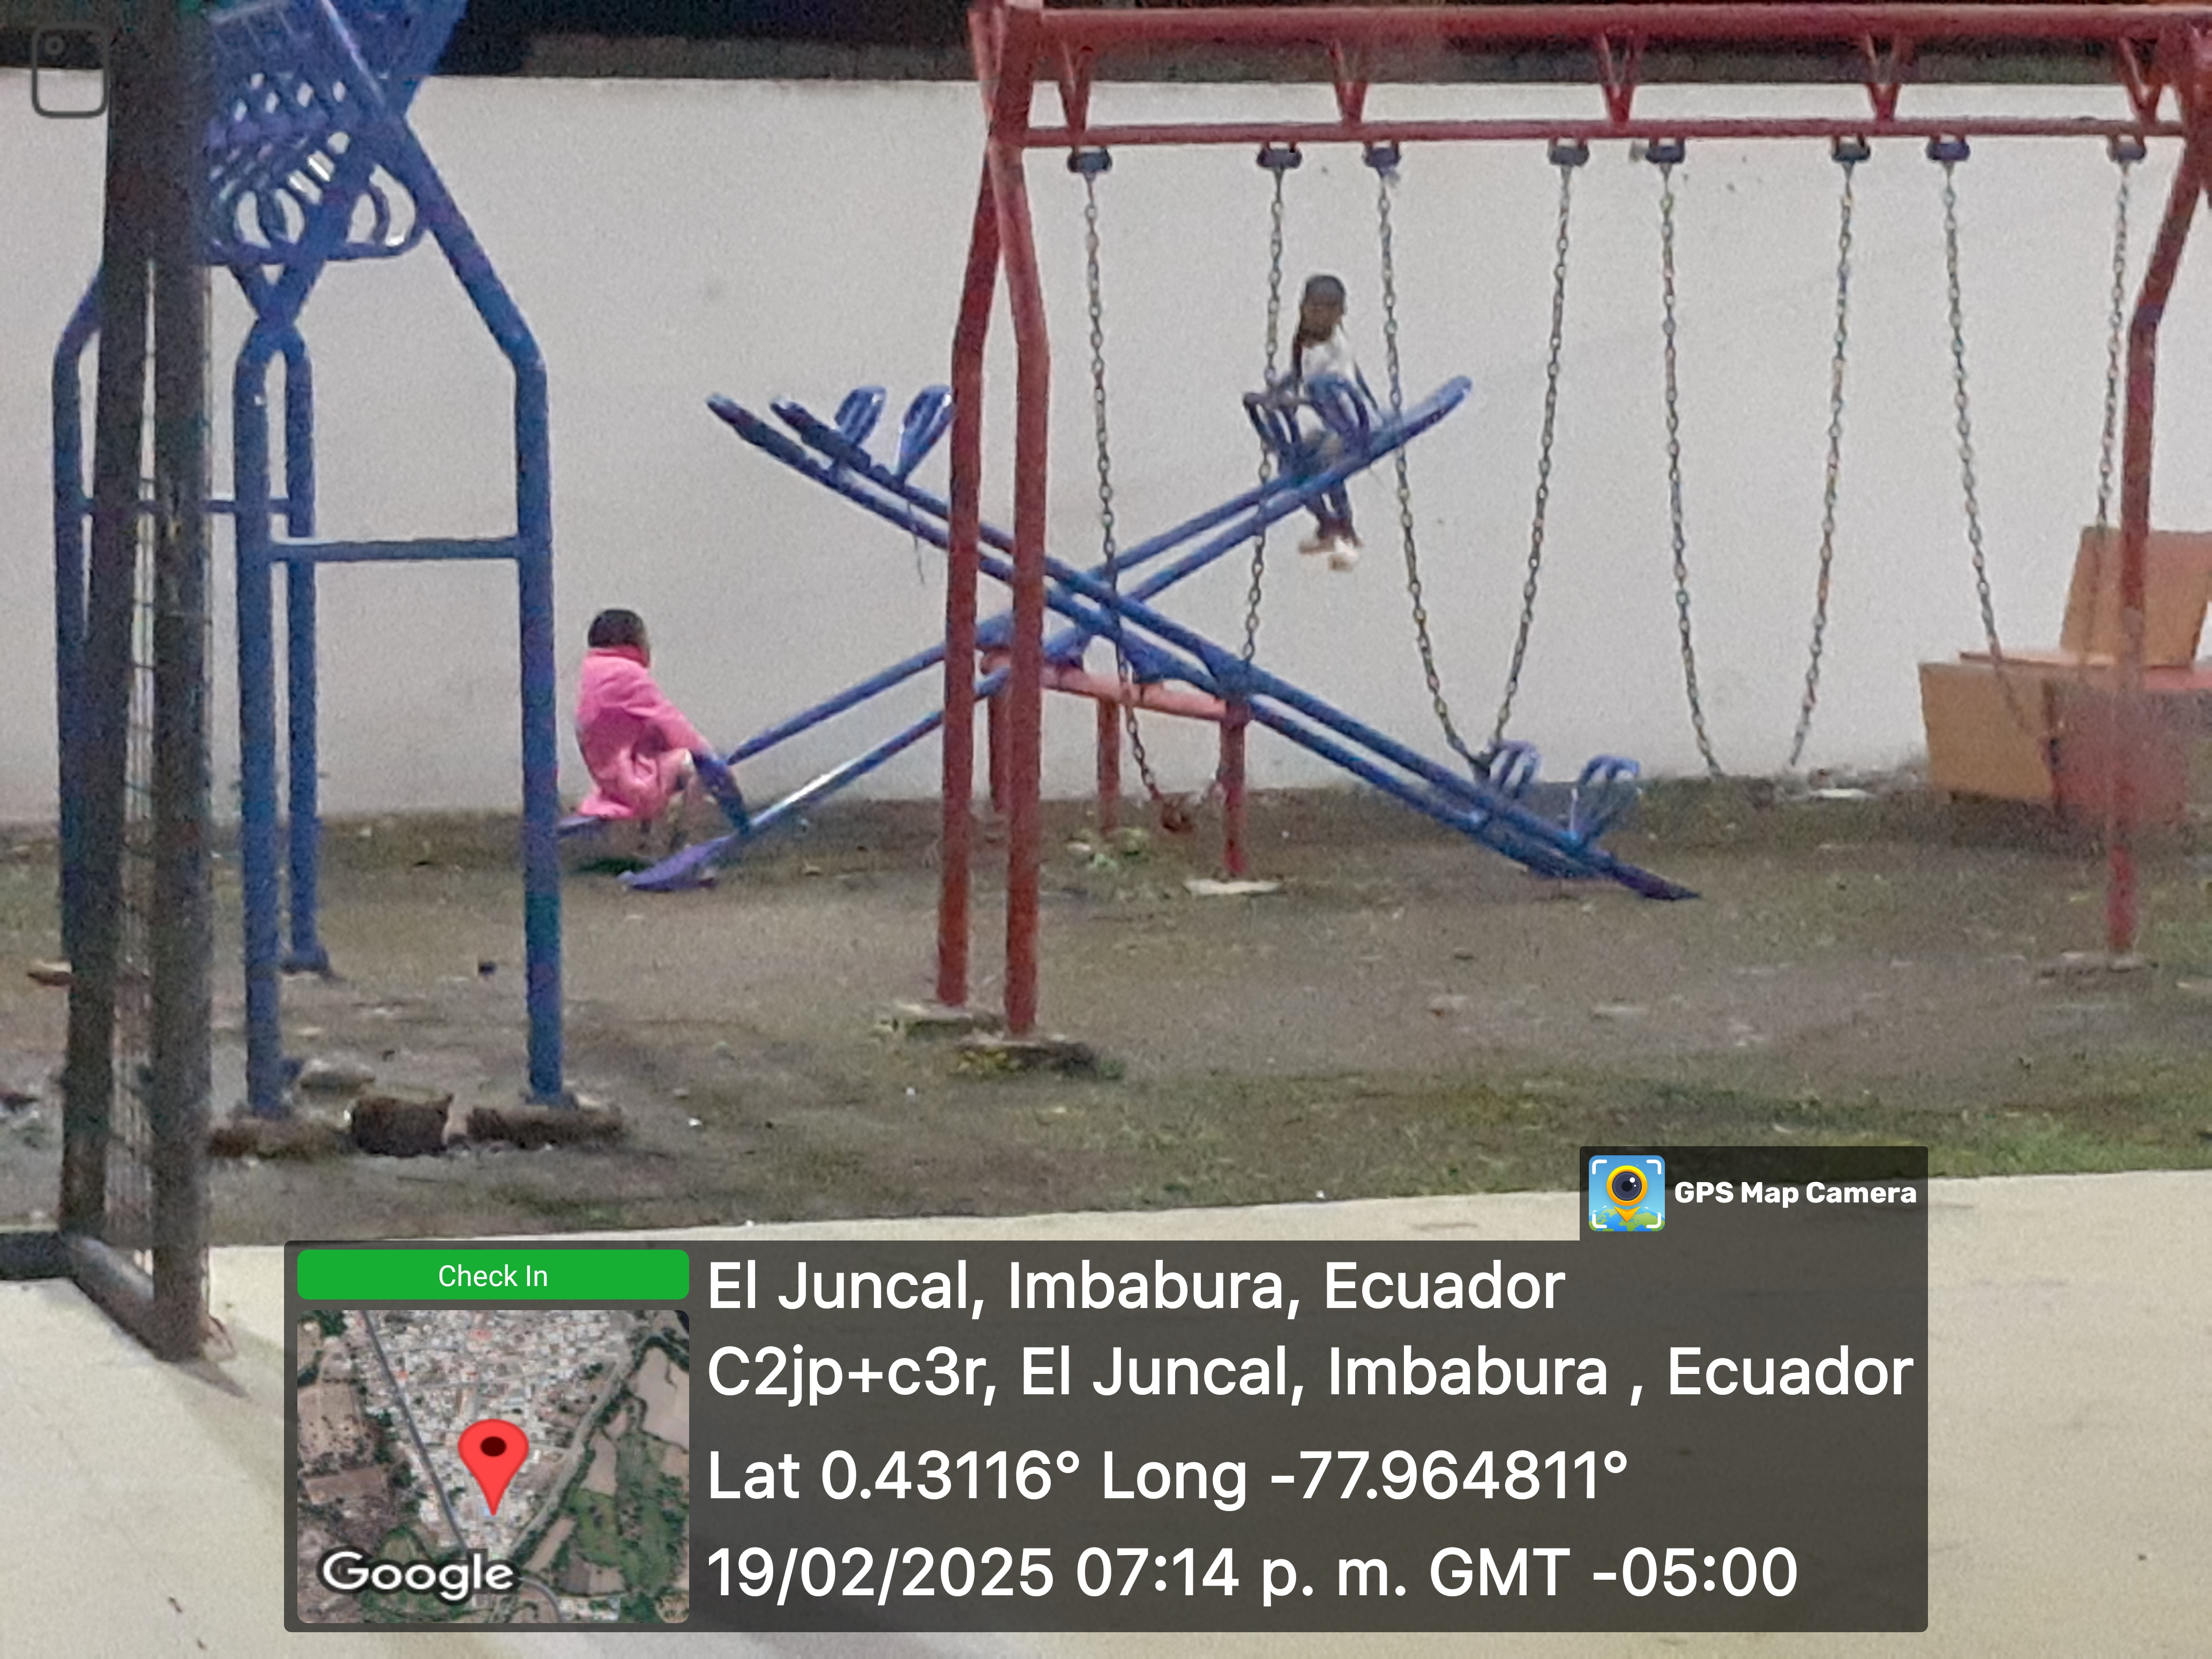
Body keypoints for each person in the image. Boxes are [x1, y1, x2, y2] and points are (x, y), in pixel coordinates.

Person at [573, 608, 742, 861]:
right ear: (634, 641)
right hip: (631, 776)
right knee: (699, 767)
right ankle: (685, 845)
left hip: (608, 772)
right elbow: (670, 721)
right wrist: (708, 755)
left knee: (666, 759)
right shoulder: (628, 675)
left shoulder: (592, 673)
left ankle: (646, 841)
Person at [1266, 273, 1376, 573]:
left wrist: (1296, 401)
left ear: (1340, 314)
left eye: (1327, 309)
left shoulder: (1336, 349)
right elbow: (1301, 376)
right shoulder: (1307, 345)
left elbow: (1330, 387)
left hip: (1348, 423)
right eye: (1313, 308)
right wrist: (1278, 391)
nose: (1318, 315)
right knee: (1292, 467)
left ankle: (1346, 532)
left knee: (1328, 468)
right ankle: (1327, 524)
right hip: (1328, 423)